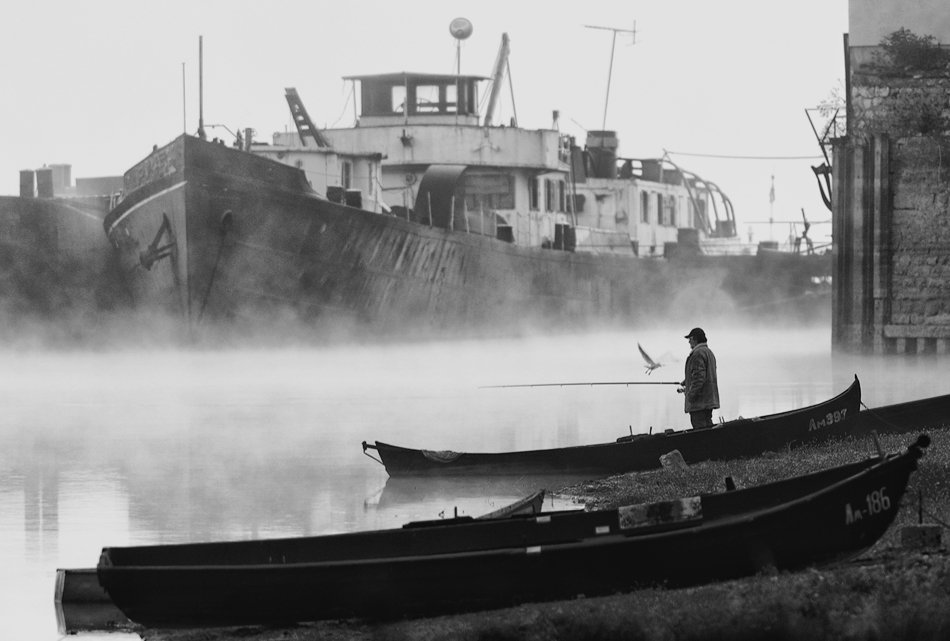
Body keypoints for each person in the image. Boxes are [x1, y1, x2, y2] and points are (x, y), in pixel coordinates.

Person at [677, 327, 720, 429]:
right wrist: (687, 381)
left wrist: (690, 396)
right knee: (708, 429)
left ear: (695, 339)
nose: (689, 342)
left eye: (690, 339)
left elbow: (699, 379)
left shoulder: (697, 354)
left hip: (699, 404)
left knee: (700, 431)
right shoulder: (708, 352)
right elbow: (705, 374)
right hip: (708, 401)